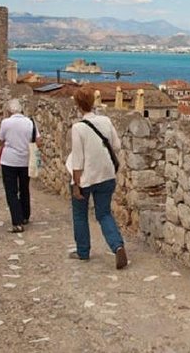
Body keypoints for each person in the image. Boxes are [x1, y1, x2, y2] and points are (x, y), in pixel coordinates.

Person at [67, 88, 128, 269]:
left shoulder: (78, 128)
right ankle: (117, 246)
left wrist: (76, 184)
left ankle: (83, 251)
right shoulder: (106, 120)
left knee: (80, 214)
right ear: (93, 101)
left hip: (85, 178)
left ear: (78, 105)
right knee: (104, 213)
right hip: (107, 175)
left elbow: (77, 160)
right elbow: (116, 145)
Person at [0, 99, 41, 233]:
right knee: (24, 188)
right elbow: (38, 140)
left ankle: (17, 221)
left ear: (9, 111)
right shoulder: (30, 122)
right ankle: (25, 215)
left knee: (11, 191)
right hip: (25, 160)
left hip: (9, 160)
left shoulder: (6, 123)